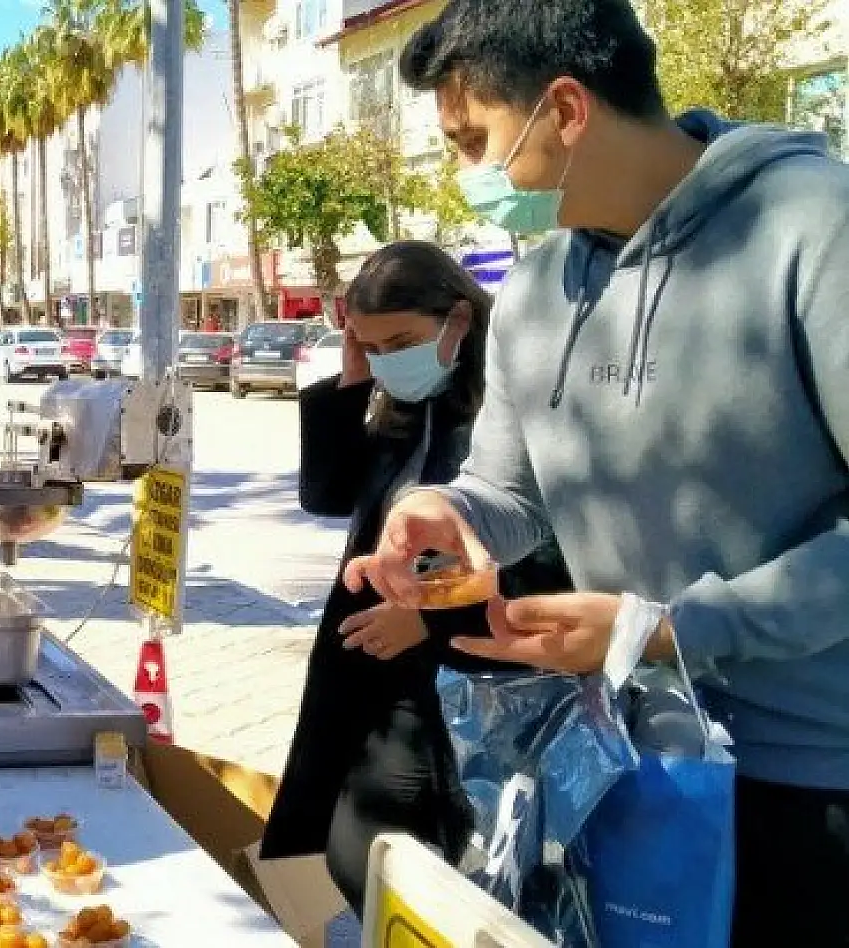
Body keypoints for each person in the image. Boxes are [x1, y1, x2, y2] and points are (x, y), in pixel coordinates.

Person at [341, 1, 849, 941]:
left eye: (474, 140)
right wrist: (441, 511)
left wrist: (670, 630)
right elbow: (506, 495)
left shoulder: (814, 228)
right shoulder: (536, 291)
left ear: (567, 111)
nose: (470, 177)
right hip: (633, 761)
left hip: (813, 781)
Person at [258, 242, 572, 912]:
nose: (385, 360)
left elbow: (547, 555)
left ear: (458, 319)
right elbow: (328, 492)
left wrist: (429, 618)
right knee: (349, 857)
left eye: (400, 341)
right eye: (370, 346)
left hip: (460, 683)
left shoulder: (505, 419)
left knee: (385, 859)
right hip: (370, 674)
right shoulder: (412, 409)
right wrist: (352, 382)